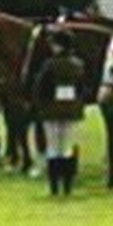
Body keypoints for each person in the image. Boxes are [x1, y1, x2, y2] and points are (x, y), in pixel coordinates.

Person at [33, 28, 86, 197]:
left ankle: (54, 186)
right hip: (71, 110)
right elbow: (82, 89)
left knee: (53, 147)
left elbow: (39, 88)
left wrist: (41, 105)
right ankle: (67, 186)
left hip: (51, 109)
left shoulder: (49, 64)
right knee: (67, 147)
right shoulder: (78, 65)